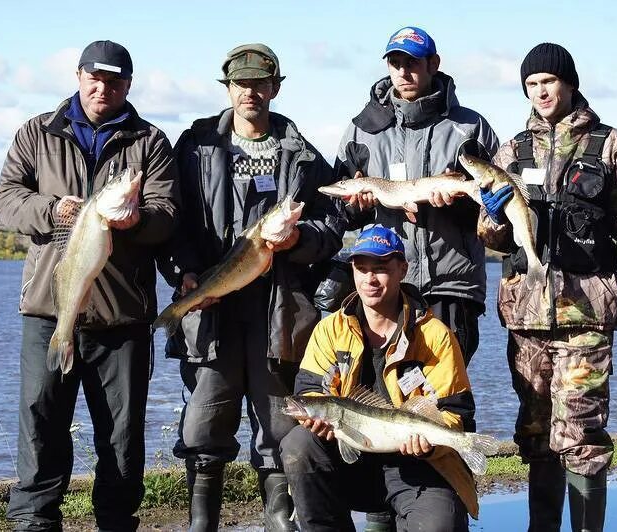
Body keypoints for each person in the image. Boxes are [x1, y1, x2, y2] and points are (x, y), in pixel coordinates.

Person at [0, 40, 179, 531]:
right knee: (41, 425)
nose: (104, 88)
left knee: (121, 435)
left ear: (128, 86)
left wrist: (136, 221)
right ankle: (35, 521)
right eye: (95, 78)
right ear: (78, 76)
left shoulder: (150, 142)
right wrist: (52, 210)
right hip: (49, 310)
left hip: (123, 317)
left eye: (115, 82)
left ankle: (116, 522)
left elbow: (167, 215)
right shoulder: (37, 133)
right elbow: (6, 198)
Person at [159, 43, 343, 531]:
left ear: (275, 88)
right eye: (242, 85)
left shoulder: (301, 153)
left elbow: (333, 224)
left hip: (279, 312)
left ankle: (278, 521)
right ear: (228, 89)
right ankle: (203, 524)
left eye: (261, 84)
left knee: (280, 426)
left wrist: (300, 237)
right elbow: (170, 223)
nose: (251, 93)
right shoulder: (194, 146)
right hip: (210, 310)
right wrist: (184, 273)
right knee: (205, 424)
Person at [477, 43, 617, 532]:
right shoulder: (512, 150)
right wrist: (491, 219)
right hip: (526, 318)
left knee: (580, 435)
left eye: (548, 82)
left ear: (570, 83)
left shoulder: (610, 145)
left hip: (587, 314)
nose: (540, 92)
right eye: (531, 84)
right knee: (536, 436)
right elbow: (491, 236)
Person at [280, 225, 479, 532]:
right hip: (351, 465)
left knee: (440, 526)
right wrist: (314, 421)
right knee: (298, 445)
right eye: (361, 269)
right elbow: (309, 390)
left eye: (381, 269)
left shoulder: (435, 335)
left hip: (418, 467)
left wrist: (429, 444)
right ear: (353, 272)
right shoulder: (329, 330)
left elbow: (458, 415)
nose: (370, 279)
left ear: (402, 269)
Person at [335, 25, 499, 367]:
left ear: (433, 64)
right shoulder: (361, 129)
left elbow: (496, 212)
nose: (403, 71)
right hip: (388, 286)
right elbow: (340, 213)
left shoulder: (471, 128)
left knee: (446, 392)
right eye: (395, 63)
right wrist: (357, 208)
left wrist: (460, 209)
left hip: (452, 285)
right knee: (390, 391)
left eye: (412, 63)